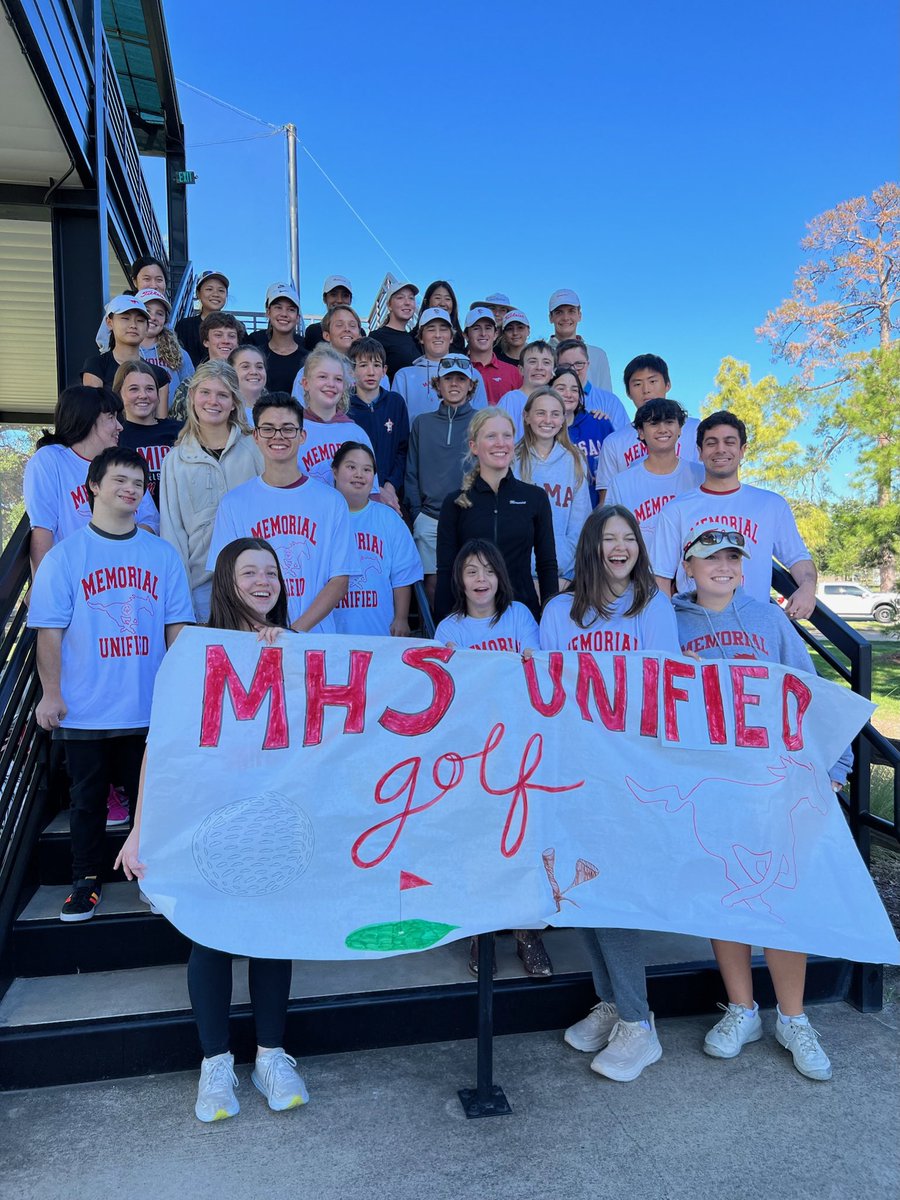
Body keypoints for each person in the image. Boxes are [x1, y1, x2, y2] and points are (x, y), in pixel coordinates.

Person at [116, 537, 309, 1121]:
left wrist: (283, 657)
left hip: (279, 817)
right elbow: (163, 745)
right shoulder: (194, 650)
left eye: (270, 571)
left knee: (274, 933)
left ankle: (271, 1056)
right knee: (212, 935)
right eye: (248, 571)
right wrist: (139, 828)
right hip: (209, 818)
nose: (262, 581)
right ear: (225, 580)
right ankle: (216, 1063)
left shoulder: (302, 650)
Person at [673, 527, 850, 1081]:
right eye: (710, 559)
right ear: (689, 567)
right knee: (727, 888)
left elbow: (808, 689)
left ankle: (793, 1018)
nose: (722, 567)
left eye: (731, 558)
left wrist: (832, 765)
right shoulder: (669, 621)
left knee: (779, 894)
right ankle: (742, 1009)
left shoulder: (769, 620)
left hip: (770, 775)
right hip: (713, 777)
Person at [541, 505, 678, 1081]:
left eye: (629, 539)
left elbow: (663, 686)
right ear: (591, 547)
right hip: (574, 768)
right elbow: (547, 688)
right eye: (608, 539)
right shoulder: (559, 612)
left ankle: (639, 1025)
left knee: (615, 891)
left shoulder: (653, 606)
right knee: (584, 889)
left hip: (628, 771)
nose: (619, 547)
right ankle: (614, 1001)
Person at [28, 446, 193, 922]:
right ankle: (86, 882)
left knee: (154, 801)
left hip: (148, 707)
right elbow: (49, 633)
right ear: (93, 488)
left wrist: (180, 695)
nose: (130, 489)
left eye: (139, 484)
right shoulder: (65, 557)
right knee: (86, 803)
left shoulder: (162, 555)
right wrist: (52, 693)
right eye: (119, 480)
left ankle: (152, 877)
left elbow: (176, 629)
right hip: (85, 708)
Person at [434, 538, 549, 978]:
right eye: (471, 571)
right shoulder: (450, 629)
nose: (481, 579)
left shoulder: (519, 616)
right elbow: (451, 692)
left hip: (519, 747)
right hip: (472, 750)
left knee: (523, 840)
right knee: (478, 843)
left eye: (488, 570)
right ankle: (480, 935)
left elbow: (534, 673)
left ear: (501, 576)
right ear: (459, 580)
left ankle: (526, 933)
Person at [206, 393, 357, 632]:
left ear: (302, 436)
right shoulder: (234, 503)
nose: (278, 436)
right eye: (268, 429)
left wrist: (293, 632)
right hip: (255, 641)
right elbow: (225, 579)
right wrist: (260, 630)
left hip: (313, 641)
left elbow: (339, 580)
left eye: (288, 429)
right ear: (256, 436)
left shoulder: (331, 502)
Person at [652, 411, 817, 618]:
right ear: (700, 452)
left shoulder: (771, 505)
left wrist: (807, 589)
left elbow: (798, 558)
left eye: (729, 442)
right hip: (695, 627)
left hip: (753, 625)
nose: (720, 449)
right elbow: (661, 579)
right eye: (711, 443)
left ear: (742, 450)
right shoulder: (676, 510)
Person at [159, 361, 263, 620]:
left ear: (234, 402)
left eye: (222, 394)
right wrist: (179, 599)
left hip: (254, 581)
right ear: (192, 396)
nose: (212, 401)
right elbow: (172, 531)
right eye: (205, 392)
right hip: (200, 587)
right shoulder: (176, 459)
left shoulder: (256, 448)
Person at [24, 385, 160, 579]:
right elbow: (43, 528)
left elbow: (150, 520)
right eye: (111, 418)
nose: (120, 426)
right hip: (72, 578)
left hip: (121, 578)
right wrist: (42, 585)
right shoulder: (50, 459)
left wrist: (118, 553)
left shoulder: (123, 463)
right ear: (87, 419)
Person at [435, 408, 558, 622]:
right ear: (474, 446)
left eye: (507, 436)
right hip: (469, 620)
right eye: (491, 436)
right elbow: (446, 570)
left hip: (523, 617)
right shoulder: (454, 503)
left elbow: (547, 564)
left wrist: (549, 617)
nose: (500, 443)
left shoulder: (535, 498)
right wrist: (444, 623)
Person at [405, 356, 483, 605]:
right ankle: (438, 639)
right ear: (437, 384)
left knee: (471, 580)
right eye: (448, 378)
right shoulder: (422, 423)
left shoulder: (482, 422)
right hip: (429, 517)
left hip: (470, 514)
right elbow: (411, 472)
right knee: (433, 584)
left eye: (461, 378)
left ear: (471, 384)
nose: (454, 384)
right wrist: (417, 512)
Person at [331, 442, 422, 636]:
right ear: (335, 471)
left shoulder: (388, 519)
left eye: (367, 469)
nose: (359, 474)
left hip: (378, 629)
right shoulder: (323, 517)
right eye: (351, 467)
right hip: (331, 632)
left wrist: (401, 618)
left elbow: (403, 574)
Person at [604, 398, 705, 558]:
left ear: (680, 429)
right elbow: (611, 535)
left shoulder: (701, 475)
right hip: (642, 576)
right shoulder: (621, 483)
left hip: (692, 577)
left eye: (669, 422)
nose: (662, 429)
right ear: (641, 432)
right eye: (654, 423)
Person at [513, 387, 591, 586]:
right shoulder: (513, 459)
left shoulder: (575, 460)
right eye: (540, 413)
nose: (548, 420)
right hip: (520, 572)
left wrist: (565, 569)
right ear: (527, 416)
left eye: (555, 414)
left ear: (563, 419)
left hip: (563, 572)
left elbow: (580, 523)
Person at [595, 354, 700, 497]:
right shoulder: (614, 442)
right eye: (637, 384)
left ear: (667, 385)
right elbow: (607, 500)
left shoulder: (695, 429)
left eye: (653, 381)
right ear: (628, 393)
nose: (646, 390)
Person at [297, 345, 379, 490]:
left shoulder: (356, 433)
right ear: (305, 383)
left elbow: (371, 492)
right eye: (322, 377)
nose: (331, 384)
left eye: (338, 379)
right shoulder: (292, 431)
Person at [393, 308, 487, 423]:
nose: (438, 335)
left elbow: (482, 422)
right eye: (431, 330)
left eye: (443, 329)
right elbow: (397, 421)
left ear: (451, 337)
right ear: (421, 338)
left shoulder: (471, 373)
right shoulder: (404, 376)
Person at [347, 338, 408, 512]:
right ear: (352, 371)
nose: (371, 372)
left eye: (376, 365)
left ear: (384, 371)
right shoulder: (344, 407)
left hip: (392, 494)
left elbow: (402, 450)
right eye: (363, 365)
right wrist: (374, 489)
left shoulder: (395, 403)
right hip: (356, 495)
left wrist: (390, 486)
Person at [82, 296, 170, 412]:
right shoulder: (96, 365)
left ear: (147, 327)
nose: (133, 325)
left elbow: (160, 422)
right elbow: (92, 414)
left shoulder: (159, 374)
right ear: (109, 322)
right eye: (125, 318)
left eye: (140, 320)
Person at [114, 361, 181, 509]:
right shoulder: (115, 438)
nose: (143, 395)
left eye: (150, 389)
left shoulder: (180, 431)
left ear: (158, 395)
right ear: (120, 393)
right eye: (134, 389)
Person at [552, 365, 613, 509]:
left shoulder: (599, 423)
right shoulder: (545, 431)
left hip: (598, 512)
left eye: (574, 389)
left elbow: (617, 467)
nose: (569, 394)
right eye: (561, 388)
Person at [169, 314, 247, 421]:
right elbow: (177, 426)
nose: (226, 341)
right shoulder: (189, 385)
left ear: (238, 343)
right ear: (206, 342)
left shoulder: (247, 383)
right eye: (218, 335)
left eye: (232, 336)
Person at [547, 288, 612, 392]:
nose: (565, 317)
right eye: (559, 312)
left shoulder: (598, 355)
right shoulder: (541, 356)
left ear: (579, 315)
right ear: (550, 317)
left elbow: (606, 396)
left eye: (571, 311)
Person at [134, 288, 195, 399]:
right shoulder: (124, 351)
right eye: (147, 311)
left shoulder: (179, 354)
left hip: (170, 416)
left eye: (160, 314)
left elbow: (191, 392)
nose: (153, 317)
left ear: (165, 320)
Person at [556, 339, 628, 430]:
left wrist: (605, 425)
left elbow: (625, 439)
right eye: (566, 365)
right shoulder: (548, 399)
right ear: (557, 367)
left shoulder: (610, 402)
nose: (573, 370)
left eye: (579, 364)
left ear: (587, 364)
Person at [498, 340, 556, 438]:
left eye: (546, 362)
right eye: (532, 362)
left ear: (553, 371)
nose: (539, 367)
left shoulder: (557, 402)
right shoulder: (510, 400)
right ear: (521, 370)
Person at [257, 283, 307, 394]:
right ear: (268, 313)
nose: (284, 314)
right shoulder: (257, 356)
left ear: (298, 318)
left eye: (291, 309)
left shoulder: (309, 360)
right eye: (278, 308)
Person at [465, 307, 522, 404]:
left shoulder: (513, 372)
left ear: (495, 334)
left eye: (488, 328)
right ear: (466, 336)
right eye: (476, 328)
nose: (483, 333)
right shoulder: (458, 371)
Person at [175, 269, 230, 366]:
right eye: (209, 289)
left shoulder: (234, 327)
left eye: (221, 290)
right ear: (198, 293)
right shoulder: (185, 326)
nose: (216, 294)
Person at [370, 281, 420, 379]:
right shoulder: (377, 337)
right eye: (400, 298)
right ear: (389, 305)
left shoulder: (414, 338)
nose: (407, 302)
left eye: (411, 298)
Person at [303, 273, 354, 350]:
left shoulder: (359, 332)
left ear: (350, 300)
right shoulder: (313, 331)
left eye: (345, 295)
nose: (339, 300)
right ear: (325, 299)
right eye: (333, 295)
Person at [414, 281, 466, 352]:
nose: (442, 303)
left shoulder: (459, 339)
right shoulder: (412, 339)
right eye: (437, 298)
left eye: (447, 299)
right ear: (426, 302)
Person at [229, 344, 268, 427]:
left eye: (259, 367)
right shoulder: (225, 412)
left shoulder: (278, 409)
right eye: (245, 366)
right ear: (231, 372)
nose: (254, 372)